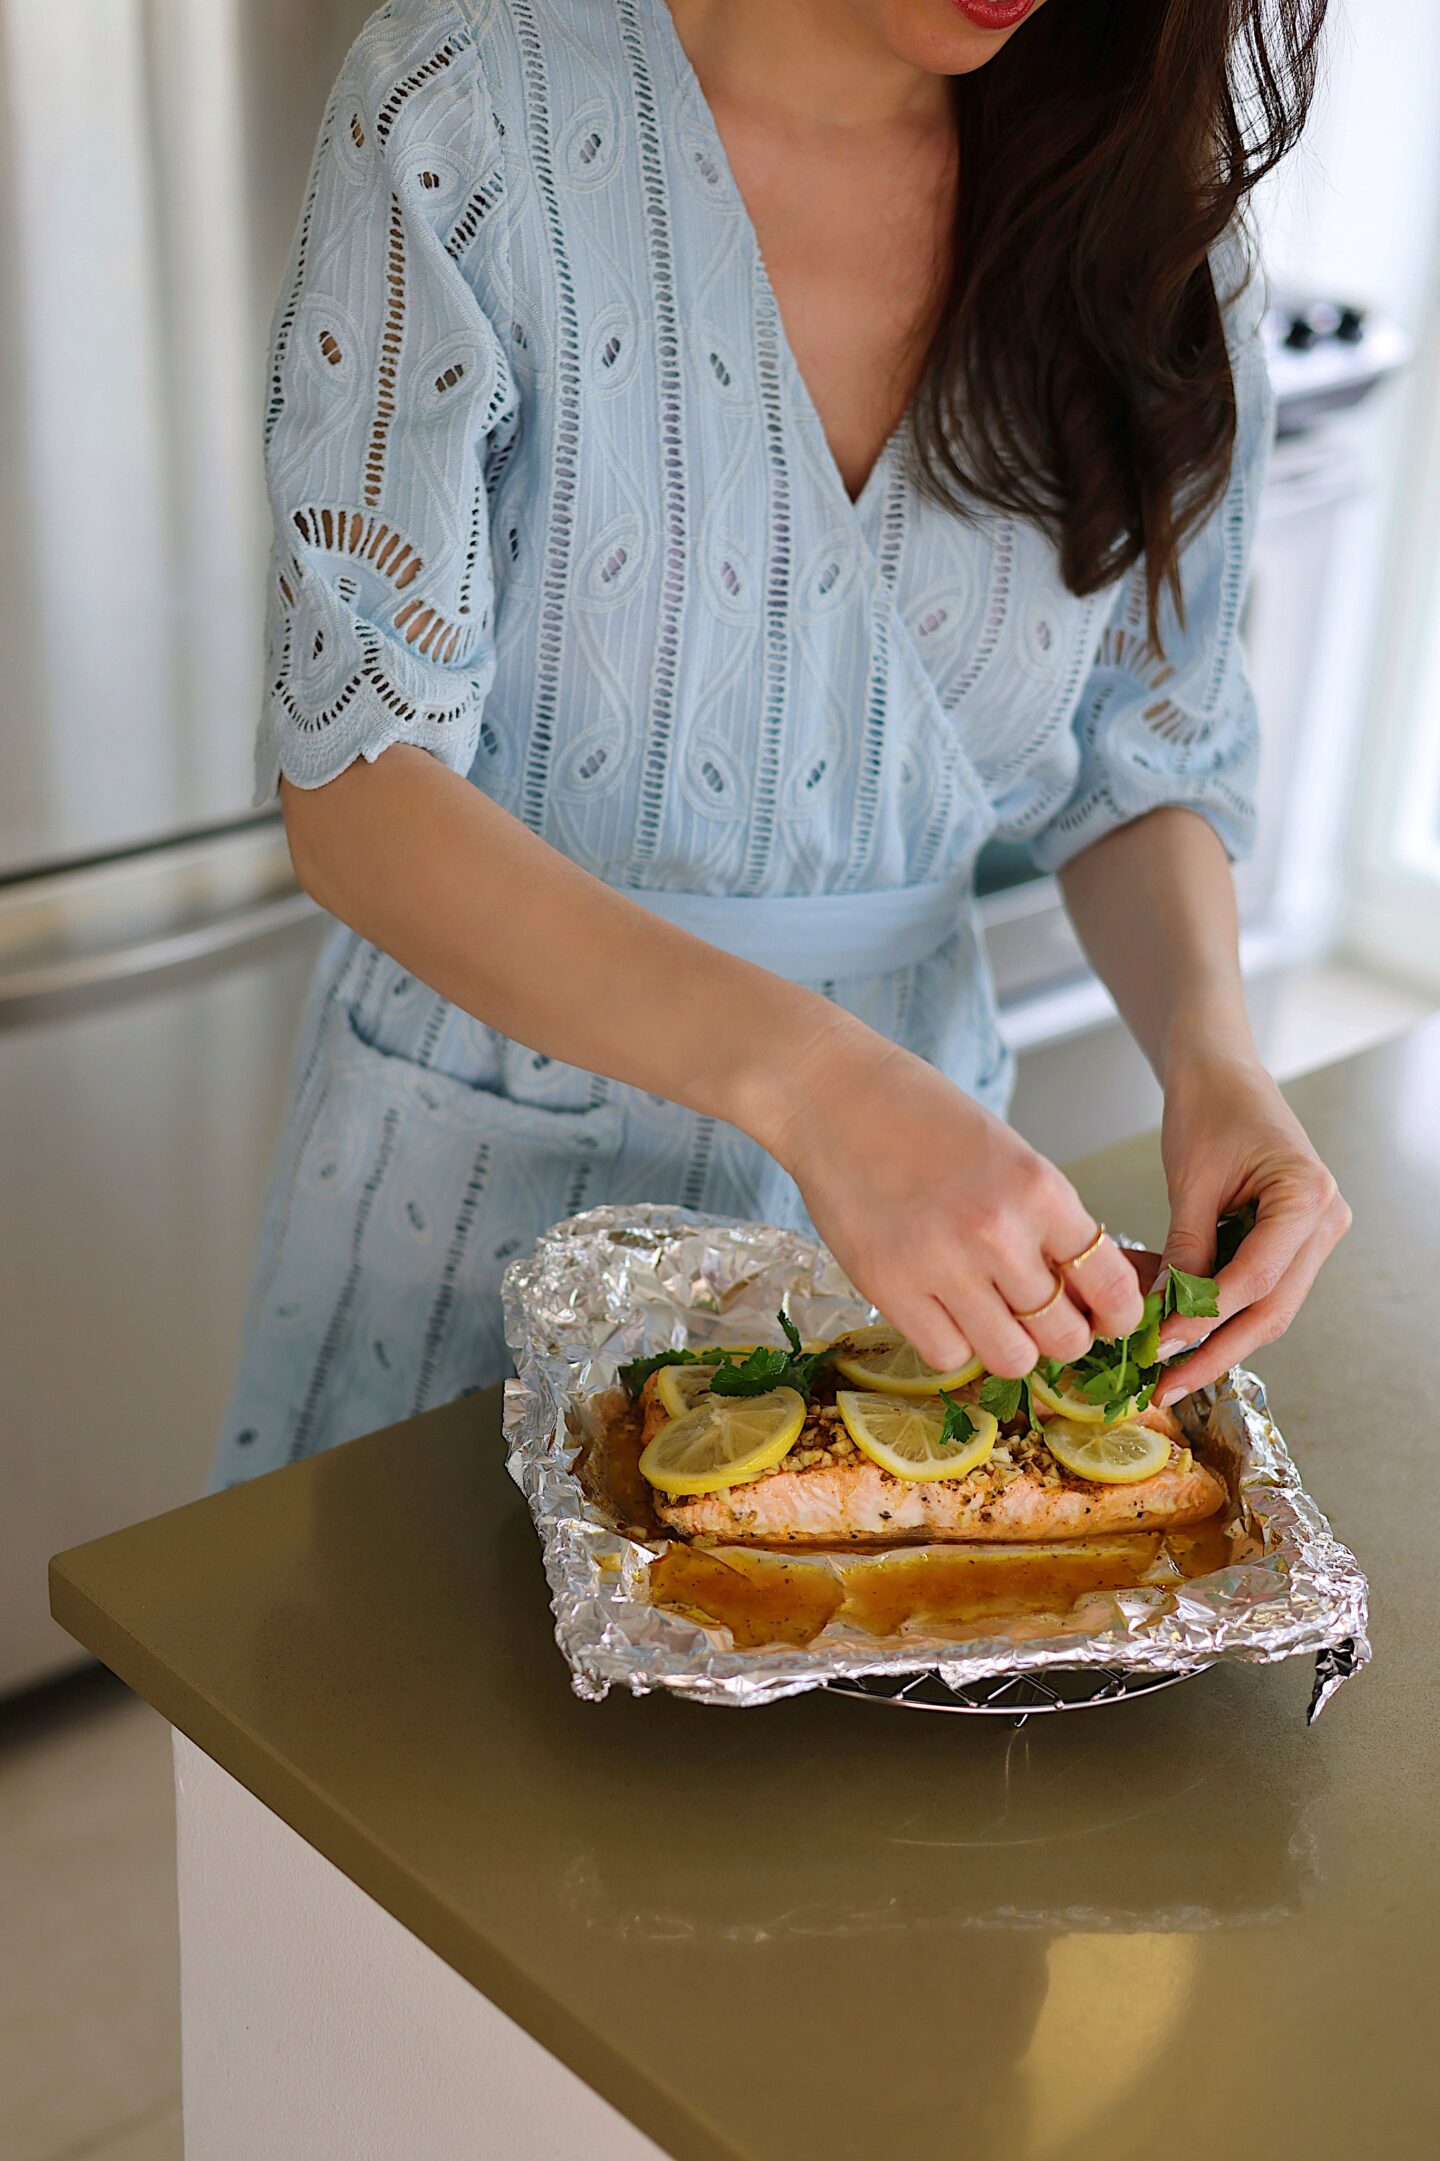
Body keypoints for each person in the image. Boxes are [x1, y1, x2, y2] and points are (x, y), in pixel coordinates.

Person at [211, 0, 1348, 1488]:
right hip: (461, 1218)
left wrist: (1213, 1057)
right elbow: (356, 791)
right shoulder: (468, 108)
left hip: (907, 1274)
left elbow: (1139, 754)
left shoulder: (1150, 215)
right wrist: (821, 1090)